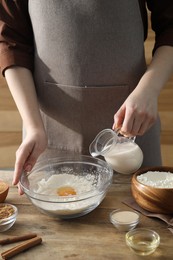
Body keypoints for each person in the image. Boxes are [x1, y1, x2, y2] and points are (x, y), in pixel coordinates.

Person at [0, 0, 173, 193]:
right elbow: (11, 41)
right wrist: (33, 127)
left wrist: (149, 90)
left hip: (134, 123)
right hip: (47, 132)